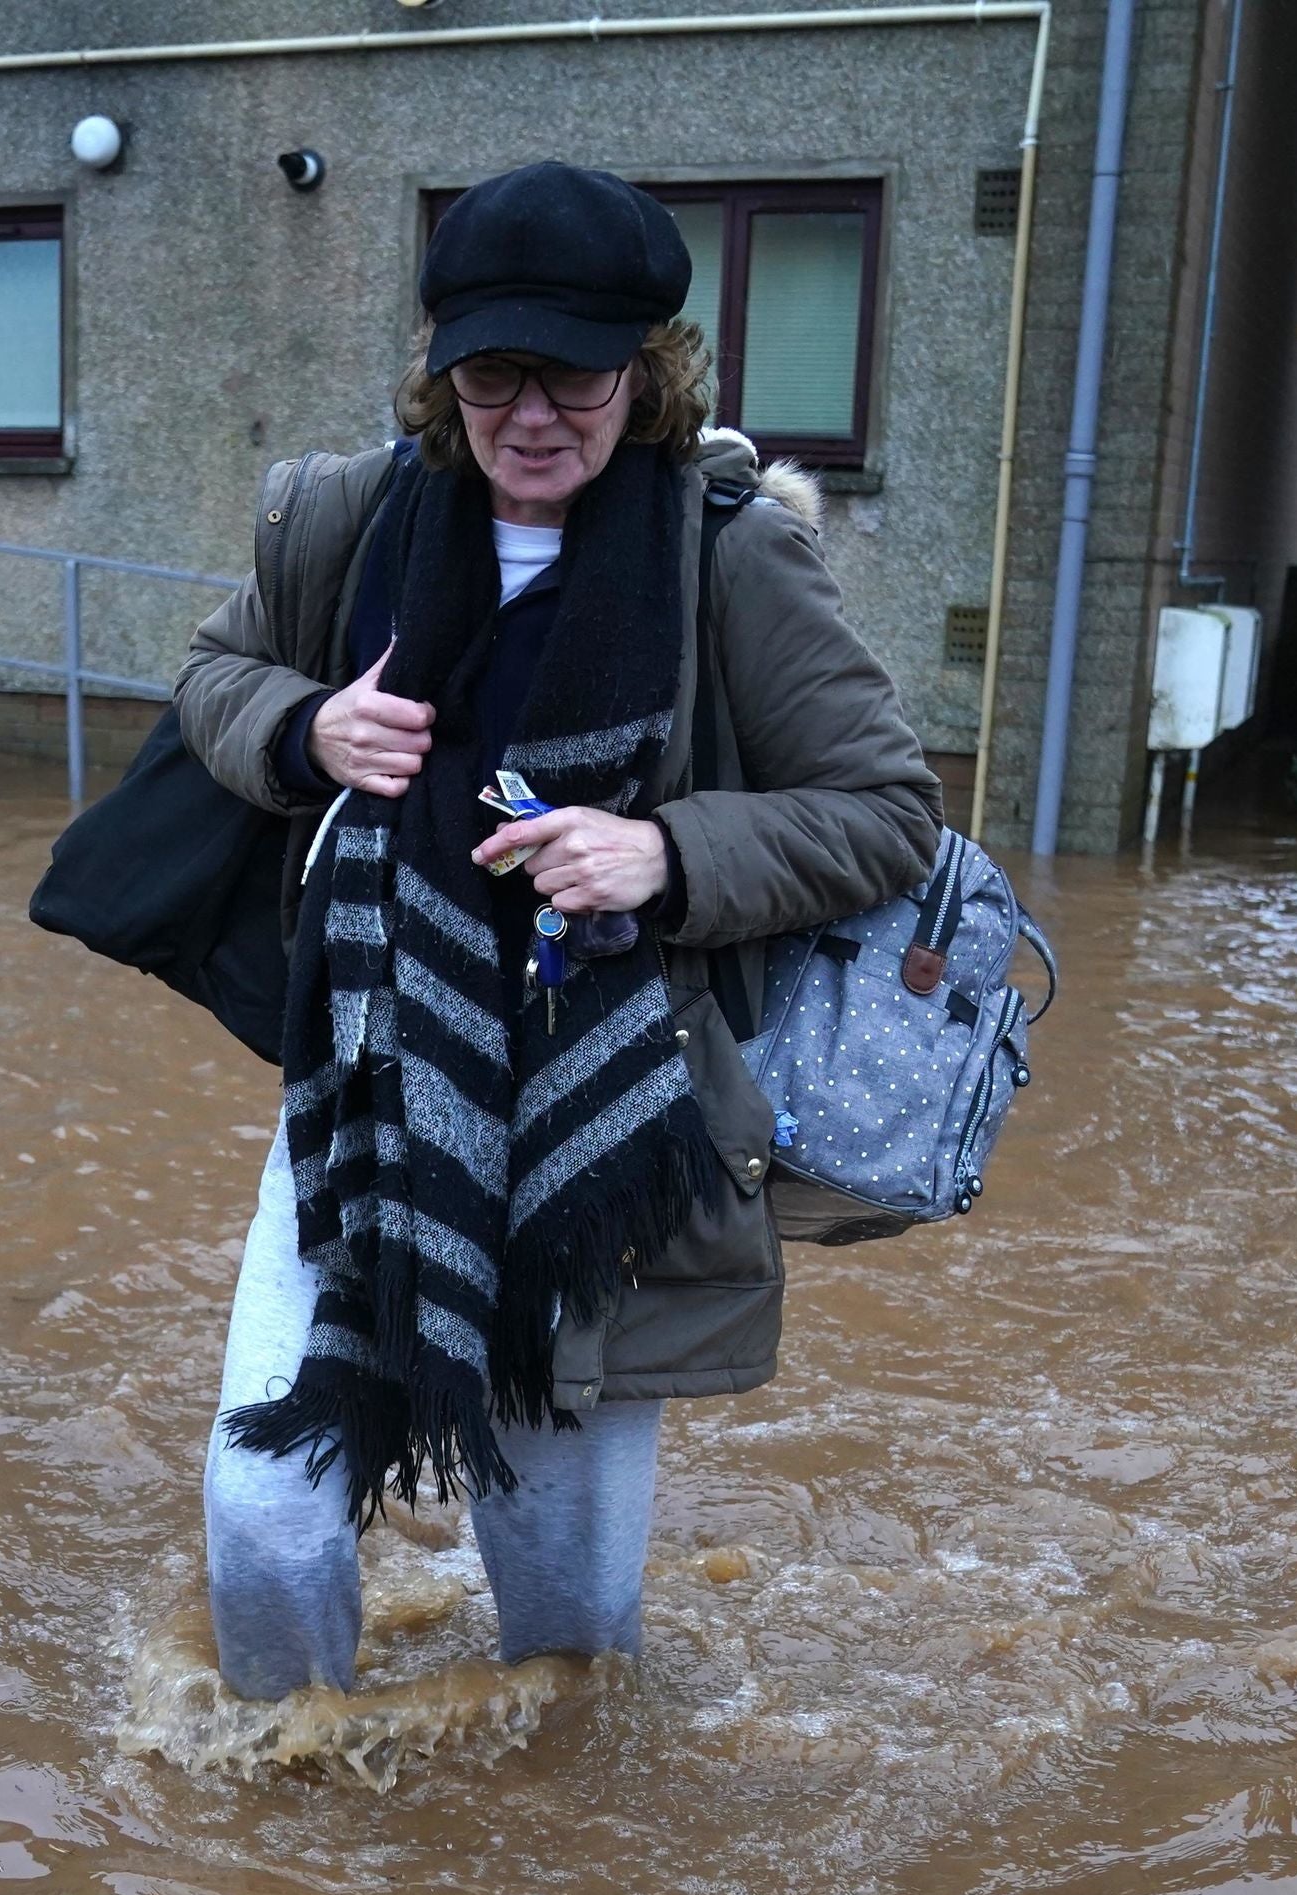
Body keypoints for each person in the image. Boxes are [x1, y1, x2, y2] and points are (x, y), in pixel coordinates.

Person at [173, 160, 942, 1700]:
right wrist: (307, 725)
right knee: (263, 1520)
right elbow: (209, 678)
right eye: (494, 371)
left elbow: (887, 810)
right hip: (363, 1098)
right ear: (442, 369)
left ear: (645, 371)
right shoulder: (347, 516)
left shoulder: (726, 548)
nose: (534, 413)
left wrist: (663, 849)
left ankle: (544, 1883)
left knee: (570, 1624)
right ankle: (285, 1837)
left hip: (608, 1135)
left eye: (577, 374)